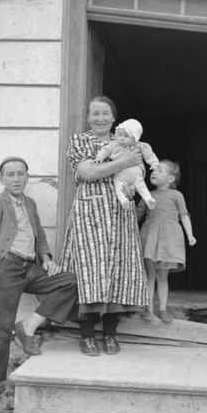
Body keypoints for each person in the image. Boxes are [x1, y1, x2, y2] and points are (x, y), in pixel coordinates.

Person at [0, 156, 78, 407]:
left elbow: (39, 236)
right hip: (7, 267)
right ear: (1, 179)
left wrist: (47, 259)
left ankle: (29, 325)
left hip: (30, 267)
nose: (16, 179)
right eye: (10, 174)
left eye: (21, 174)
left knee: (71, 282)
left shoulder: (30, 203)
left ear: (27, 177)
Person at [60, 96, 150, 356]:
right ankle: (87, 336)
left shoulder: (127, 141)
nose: (100, 118)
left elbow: (138, 173)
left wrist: (132, 185)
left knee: (119, 270)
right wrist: (122, 163)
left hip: (120, 213)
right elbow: (87, 173)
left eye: (105, 113)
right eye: (95, 113)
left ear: (114, 118)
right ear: (88, 117)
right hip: (89, 215)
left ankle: (110, 334)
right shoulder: (80, 141)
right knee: (89, 272)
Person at [137, 159, 197, 323]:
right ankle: (148, 308)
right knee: (150, 275)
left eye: (160, 170)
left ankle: (162, 309)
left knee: (162, 276)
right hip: (150, 238)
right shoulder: (147, 194)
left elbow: (184, 215)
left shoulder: (177, 195)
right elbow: (137, 214)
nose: (154, 172)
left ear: (171, 178)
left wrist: (190, 235)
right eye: (153, 170)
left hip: (169, 239)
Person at [94, 118, 160, 211]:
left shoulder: (140, 145)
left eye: (126, 136)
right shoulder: (114, 144)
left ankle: (148, 199)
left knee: (141, 185)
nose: (121, 138)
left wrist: (154, 163)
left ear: (135, 137)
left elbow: (149, 155)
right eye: (119, 135)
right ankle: (124, 201)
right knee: (118, 185)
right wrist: (100, 157)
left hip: (136, 172)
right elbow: (105, 150)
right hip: (120, 174)